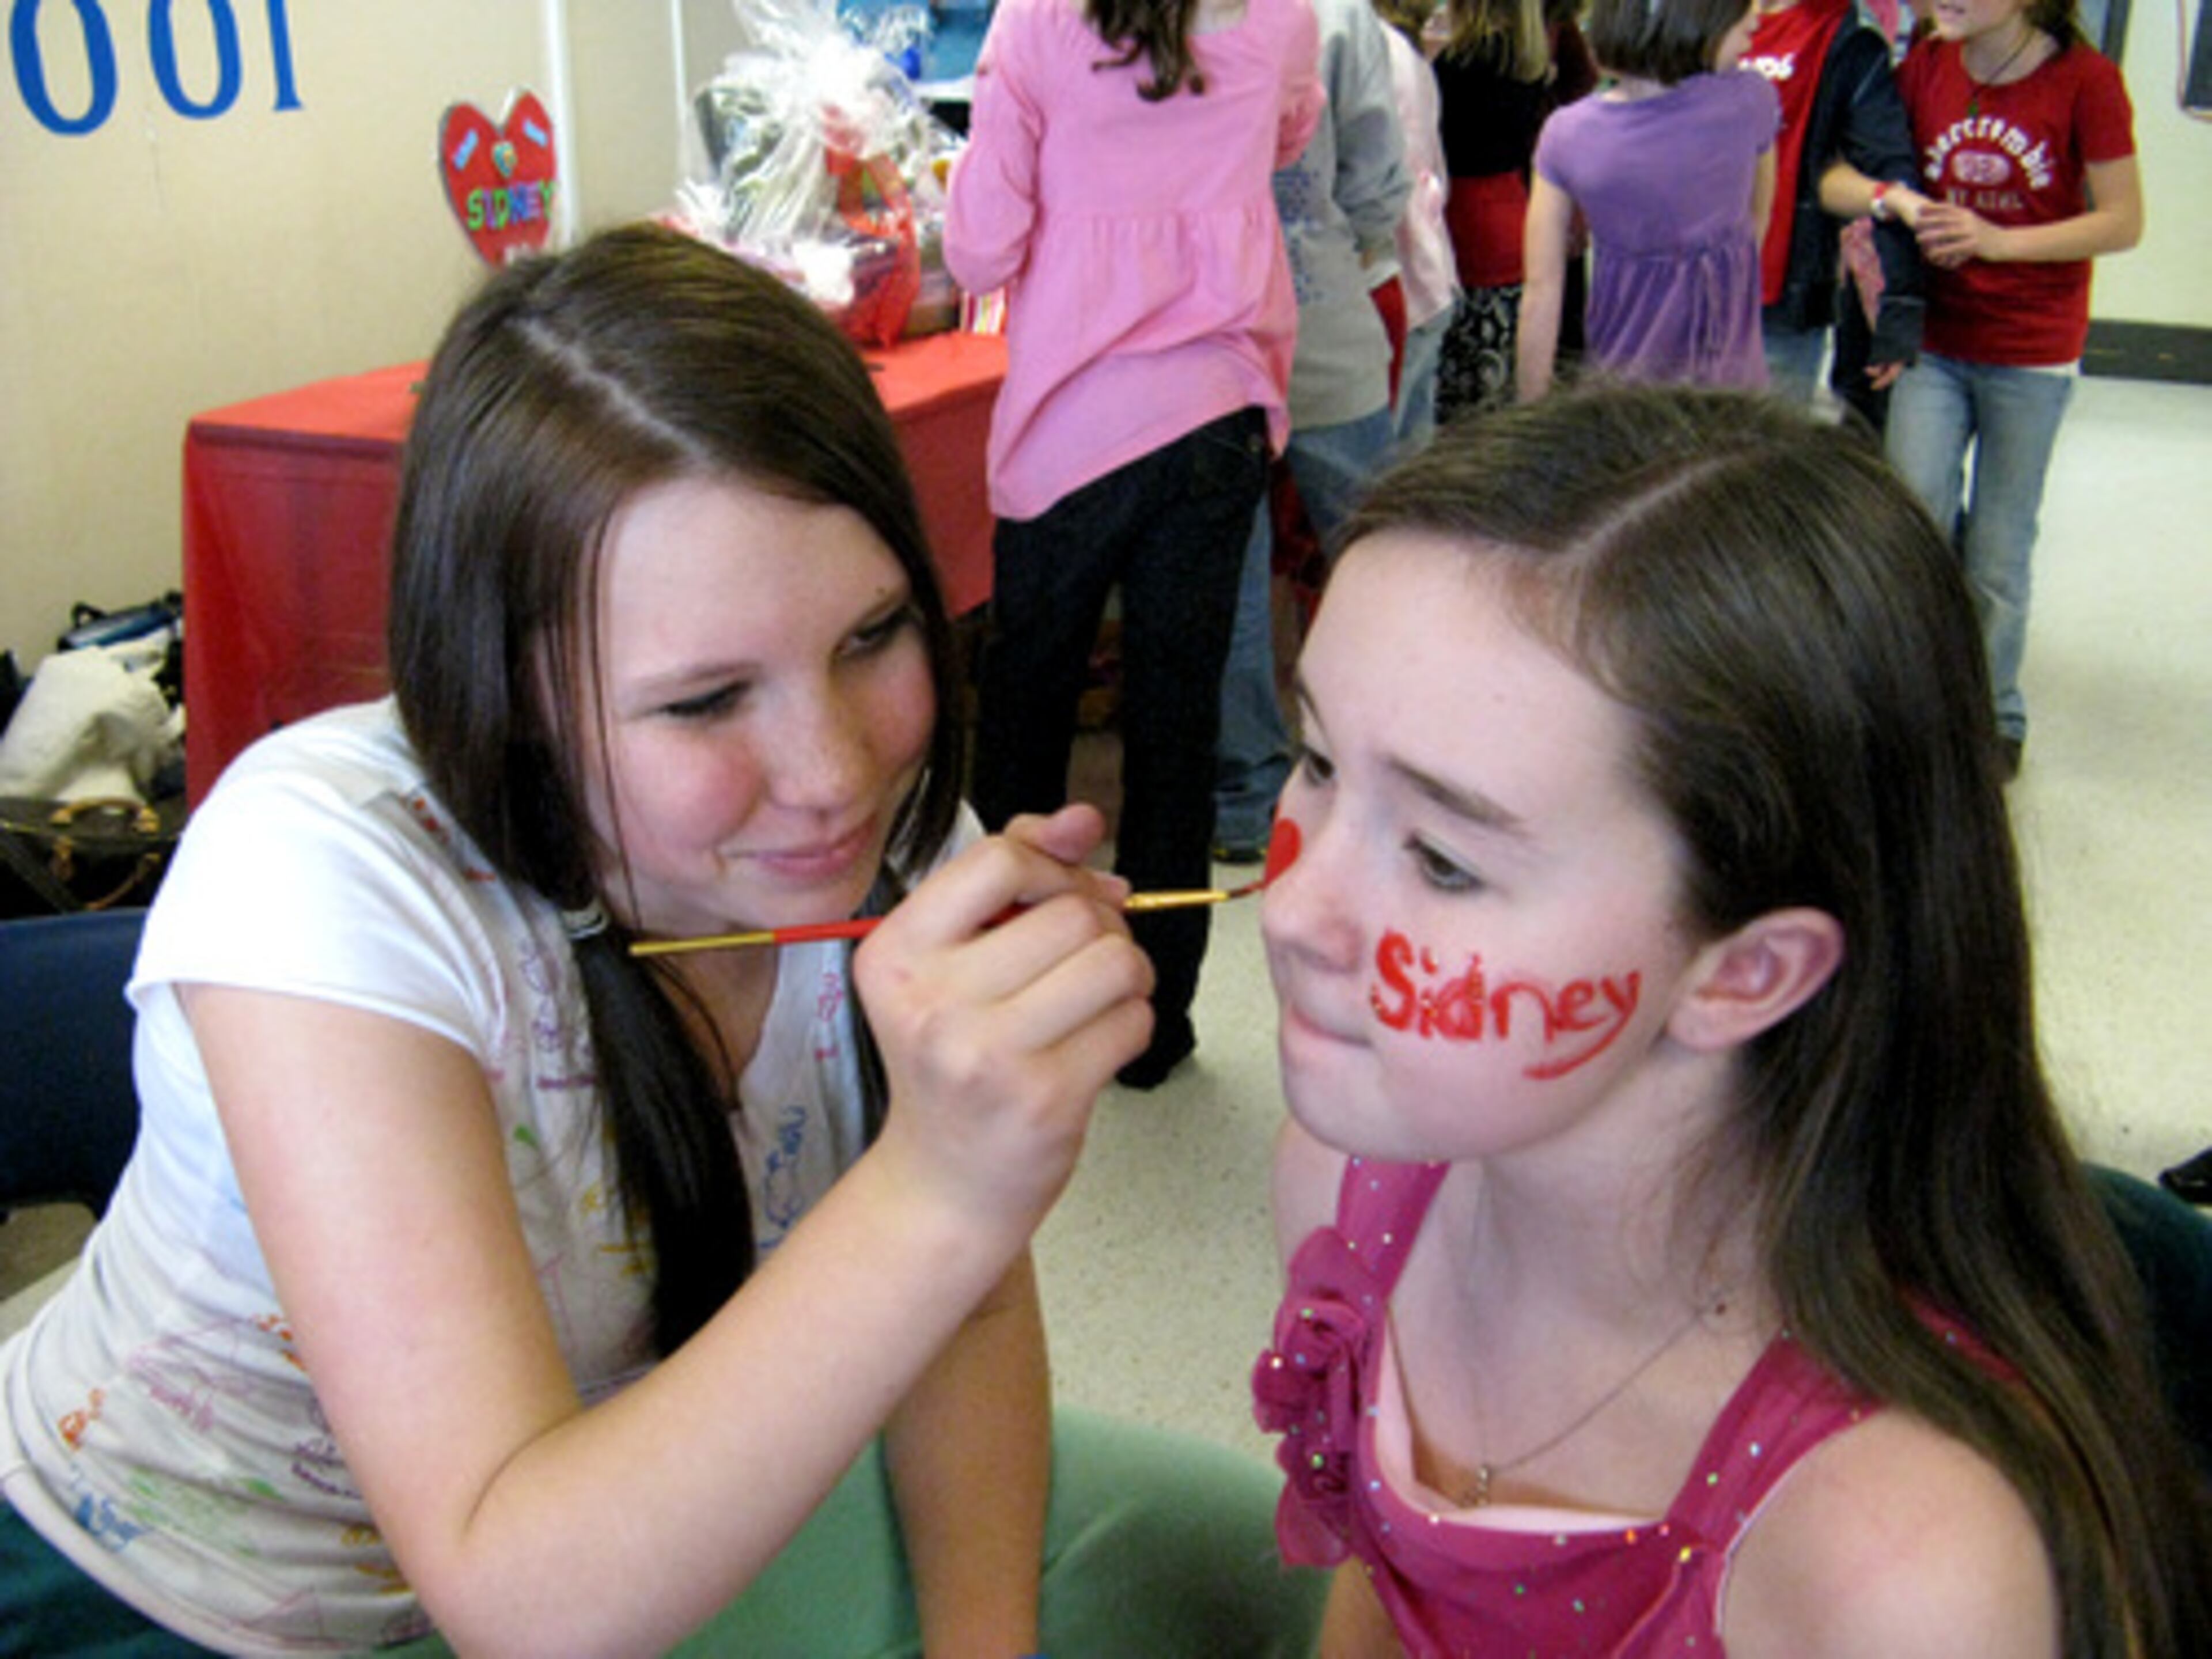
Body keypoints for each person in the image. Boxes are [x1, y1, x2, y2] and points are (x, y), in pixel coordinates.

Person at [0, 224, 1328, 1657]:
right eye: (703, 702)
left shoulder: (895, 845)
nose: (832, 773)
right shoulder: (326, 871)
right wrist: (942, 1181)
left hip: (630, 1484)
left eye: (876, 634)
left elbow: (956, 1313)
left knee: (1258, 1582)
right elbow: (520, 1588)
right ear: (506, 687)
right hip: (164, 1602)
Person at [1249, 385, 2212, 1655]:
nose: (1291, 908)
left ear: (1744, 974)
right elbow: (1377, 1592)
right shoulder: (1351, 1195)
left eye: (1440, 860)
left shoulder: (1897, 1564)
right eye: (1318, 763)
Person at [945, 0, 1327, 1090]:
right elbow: (1285, 135)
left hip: (1069, 422)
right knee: (1177, 727)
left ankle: (1004, 996)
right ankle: (1155, 1030)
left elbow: (978, 248)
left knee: (1023, 719)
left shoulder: (1036, 22)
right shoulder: (1283, 16)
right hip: (1217, 407)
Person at [1885, 0, 2141, 780]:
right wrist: (1895, 203)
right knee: (1917, 516)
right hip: (1934, 338)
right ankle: (1912, 700)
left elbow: (2123, 221)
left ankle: (1995, 709)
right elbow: (1876, 169)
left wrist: (2000, 242)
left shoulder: (2087, 82)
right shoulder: (1924, 64)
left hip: (2031, 351)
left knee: (1999, 546)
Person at [1211, 0, 1411, 872]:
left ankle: (1247, 793)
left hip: (1204, 324)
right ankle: (1415, 762)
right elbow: (1375, 172)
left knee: (1233, 572)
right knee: (1388, 554)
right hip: (1318, 302)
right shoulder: (1337, 15)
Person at [1516, 0, 1779, 399]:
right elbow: (1757, 219)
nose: (1757, 15)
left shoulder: (1569, 135)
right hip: (1727, 383)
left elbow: (1542, 290)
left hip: (1625, 380)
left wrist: (1530, 413)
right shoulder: (1751, 101)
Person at [1744, 0, 1927, 407]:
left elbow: (1880, 165)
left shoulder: (1848, 33)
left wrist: (1898, 305)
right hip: (1676, 286)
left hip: (1778, 297)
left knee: (1764, 456)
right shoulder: (1697, 15)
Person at [1429, 0, 1556, 419]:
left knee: (1450, 394)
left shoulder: (1454, 63)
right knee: (1493, 389)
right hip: (1513, 215)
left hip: (1460, 225)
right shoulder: (1527, 58)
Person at [1374, 0, 1461, 453]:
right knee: (1410, 450)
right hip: (1425, 272)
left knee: (1387, 460)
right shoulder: (1405, 56)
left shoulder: (1376, 51)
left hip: (1400, 277)